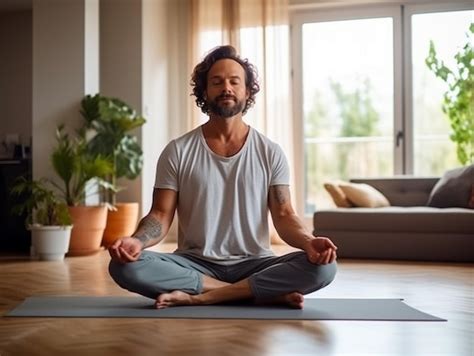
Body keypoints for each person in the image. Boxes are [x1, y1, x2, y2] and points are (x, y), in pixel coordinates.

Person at [108, 45, 337, 309]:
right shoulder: (178, 150)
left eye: (234, 81)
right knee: (124, 267)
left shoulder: (270, 152)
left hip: (255, 264)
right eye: (216, 82)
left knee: (324, 269)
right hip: (195, 263)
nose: (226, 87)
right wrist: (136, 241)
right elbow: (160, 215)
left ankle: (205, 296)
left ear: (247, 90)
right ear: (205, 91)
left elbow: (284, 216)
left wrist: (310, 244)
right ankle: (256, 293)